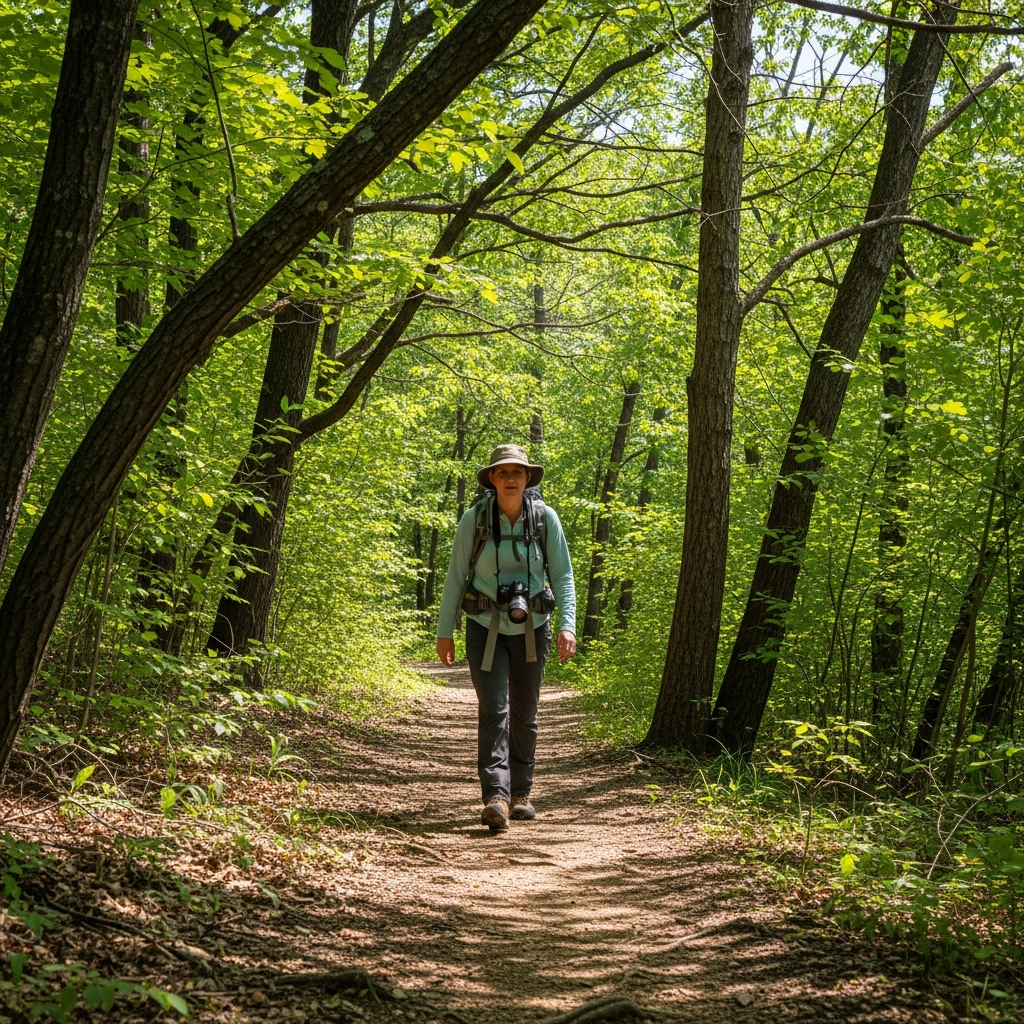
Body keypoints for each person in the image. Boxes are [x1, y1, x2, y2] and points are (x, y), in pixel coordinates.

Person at [436, 444, 576, 831]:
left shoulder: (545, 519)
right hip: (485, 627)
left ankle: (521, 795)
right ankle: (495, 797)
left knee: (525, 713)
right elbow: (455, 576)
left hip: (534, 627)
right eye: (502, 473)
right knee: (494, 709)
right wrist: (444, 632)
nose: (510, 478)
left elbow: (563, 576)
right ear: (492, 480)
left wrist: (568, 625)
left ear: (527, 478)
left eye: (517, 472)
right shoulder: (474, 519)